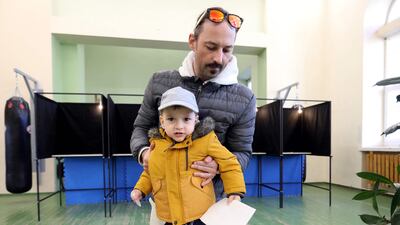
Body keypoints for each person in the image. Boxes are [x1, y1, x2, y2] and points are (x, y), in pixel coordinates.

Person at [130, 6, 256, 199]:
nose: (218, 58)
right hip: (166, 200)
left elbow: (242, 152)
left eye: (227, 50)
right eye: (211, 47)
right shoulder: (159, 82)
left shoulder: (245, 98)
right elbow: (141, 127)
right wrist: (144, 153)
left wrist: (218, 165)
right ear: (193, 41)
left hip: (213, 202)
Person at [131, 87, 246, 225]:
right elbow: (151, 172)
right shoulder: (156, 144)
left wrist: (235, 191)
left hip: (201, 215)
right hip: (168, 216)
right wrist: (140, 189)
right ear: (162, 121)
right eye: (171, 119)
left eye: (186, 119)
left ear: (195, 119)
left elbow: (230, 163)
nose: (179, 126)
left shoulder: (206, 140)